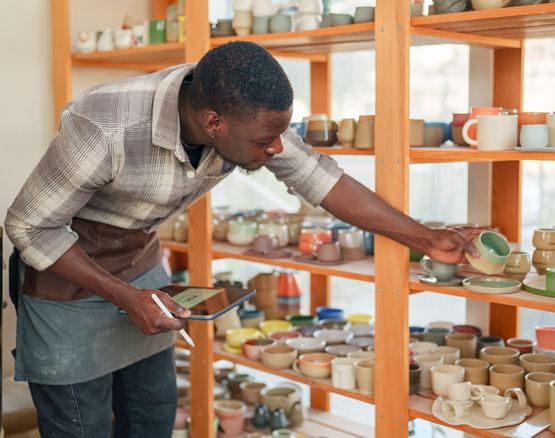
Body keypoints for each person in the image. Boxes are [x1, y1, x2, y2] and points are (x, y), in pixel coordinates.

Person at [5, 41, 481, 436]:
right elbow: (30, 225)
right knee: (82, 426)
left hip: (139, 264)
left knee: (151, 420)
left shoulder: (248, 116)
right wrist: (124, 296)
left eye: (280, 133)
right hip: (65, 272)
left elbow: (321, 179)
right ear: (213, 122)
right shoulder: (103, 126)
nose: (276, 148)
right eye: (265, 140)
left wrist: (426, 238)